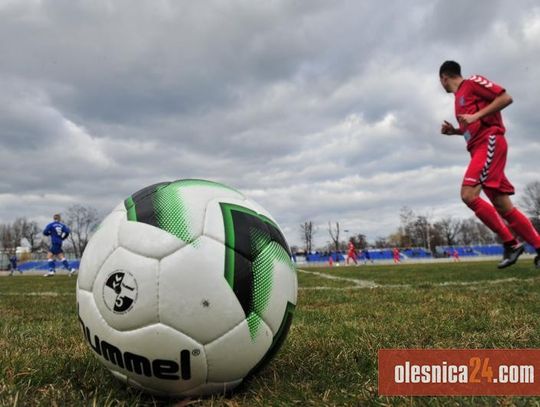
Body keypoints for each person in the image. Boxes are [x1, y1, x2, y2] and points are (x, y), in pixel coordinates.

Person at [439, 61, 540, 269]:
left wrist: (475, 116)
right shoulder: (458, 99)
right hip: (478, 149)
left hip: (489, 142)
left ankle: (511, 244)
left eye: (440, 81)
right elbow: (471, 125)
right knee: (503, 206)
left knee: (468, 195)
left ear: (444, 78)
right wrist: (456, 131)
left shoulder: (473, 82)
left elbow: (505, 97)